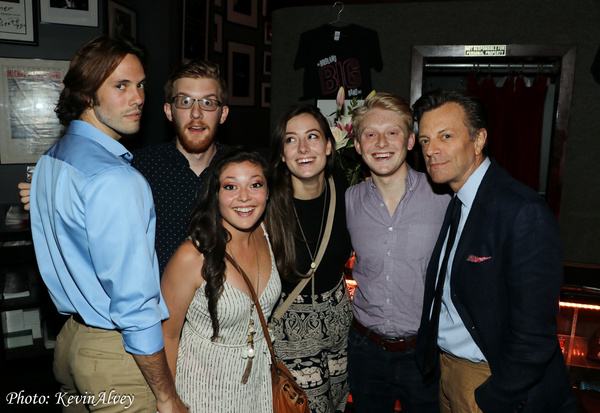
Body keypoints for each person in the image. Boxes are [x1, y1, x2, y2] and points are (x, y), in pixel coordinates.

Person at [29, 36, 187, 412]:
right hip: (114, 356)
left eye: (141, 85)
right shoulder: (115, 178)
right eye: (121, 86)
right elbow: (134, 305)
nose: (137, 98)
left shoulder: (52, 159)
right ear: (86, 94)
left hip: (70, 342)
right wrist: (166, 397)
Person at [413, 89, 576, 413]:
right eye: (425, 141)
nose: (432, 150)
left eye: (445, 136)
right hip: (448, 373)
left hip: (487, 381)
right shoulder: (458, 201)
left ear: (478, 139)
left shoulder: (522, 211)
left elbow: (534, 335)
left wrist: (494, 399)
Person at [19, 59, 229, 274]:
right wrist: (51, 189)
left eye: (208, 102)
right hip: (156, 303)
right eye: (184, 101)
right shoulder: (134, 167)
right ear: (169, 111)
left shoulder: (243, 170)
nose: (196, 113)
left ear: (222, 114)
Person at [160, 147, 290, 412]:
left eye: (255, 184)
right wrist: (169, 401)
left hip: (259, 389)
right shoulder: (192, 256)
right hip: (202, 393)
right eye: (231, 187)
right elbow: (166, 335)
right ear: (215, 196)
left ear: (267, 191)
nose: (244, 197)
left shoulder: (268, 234)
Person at [345, 92, 449, 413]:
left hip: (425, 353)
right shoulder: (349, 201)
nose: (381, 143)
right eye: (370, 134)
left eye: (392, 132)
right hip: (365, 350)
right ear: (358, 145)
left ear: (410, 141)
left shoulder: (443, 198)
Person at [269, 104, 353, 413]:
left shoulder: (343, 189)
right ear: (281, 152)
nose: (303, 148)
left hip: (340, 328)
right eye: (291, 139)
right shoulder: (265, 204)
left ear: (329, 146)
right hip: (289, 337)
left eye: (313, 137)